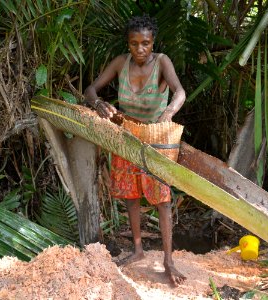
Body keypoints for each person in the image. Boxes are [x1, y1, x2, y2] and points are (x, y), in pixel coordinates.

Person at [84, 15, 186, 286]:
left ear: (153, 43)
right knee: (131, 196)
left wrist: (168, 113)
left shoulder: (162, 62)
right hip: (125, 136)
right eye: (134, 43)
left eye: (145, 43)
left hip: (155, 138)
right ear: (127, 44)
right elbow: (90, 89)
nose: (140, 49)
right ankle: (138, 249)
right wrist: (98, 105)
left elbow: (180, 93)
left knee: (162, 199)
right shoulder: (121, 63)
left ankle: (168, 260)